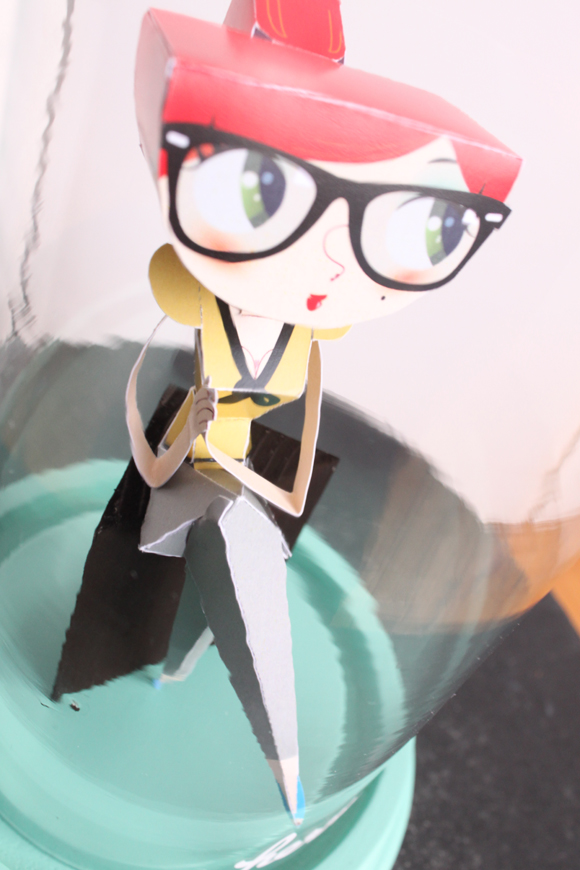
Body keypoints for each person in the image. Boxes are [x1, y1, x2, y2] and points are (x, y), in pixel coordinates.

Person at [125, 2, 521, 824]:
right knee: (168, 581)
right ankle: (242, 730)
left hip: (247, 482)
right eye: (260, 192)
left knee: (232, 579)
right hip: (185, 475)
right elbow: (143, 424)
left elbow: (299, 457)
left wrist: (277, 493)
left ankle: (229, 714)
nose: (335, 259)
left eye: (410, 226)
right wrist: (180, 441)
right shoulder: (197, 317)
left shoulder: (303, 348)